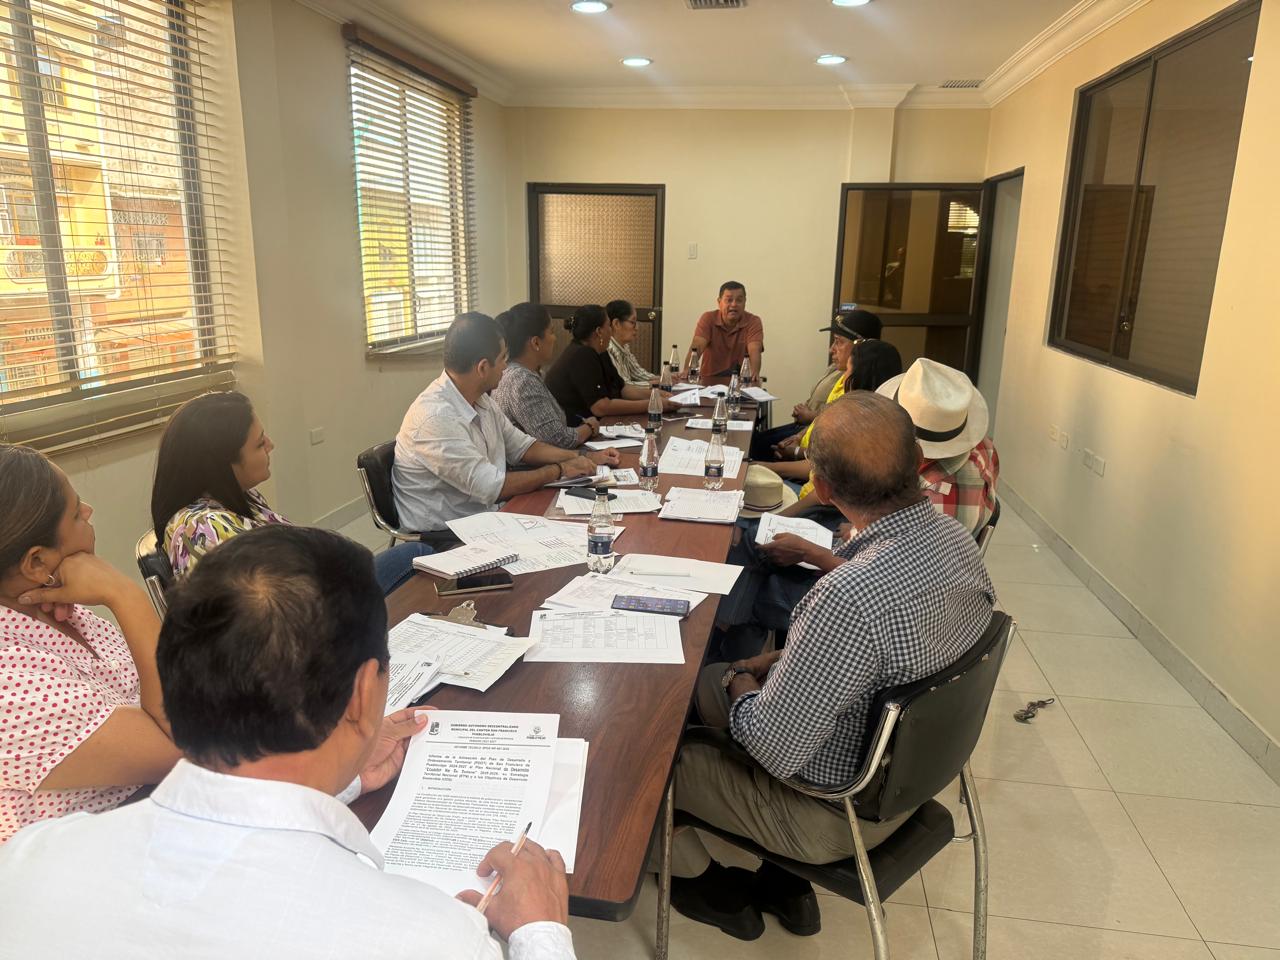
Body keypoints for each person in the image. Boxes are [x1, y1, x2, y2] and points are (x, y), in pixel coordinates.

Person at [0, 525, 576, 959]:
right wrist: (539, 931)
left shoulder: (29, 860)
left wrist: (343, 784)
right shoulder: (435, 939)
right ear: (363, 694)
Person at [664, 393, 995, 940]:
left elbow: (772, 747)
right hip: (909, 781)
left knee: (653, 749)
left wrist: (739, 677)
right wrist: (785, 659)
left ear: (823, 488)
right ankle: (784, 885)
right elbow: (898, 651)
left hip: (834, 815)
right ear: (917, 462)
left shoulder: (848, 596)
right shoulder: (957, 541)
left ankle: (707, 886)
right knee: (722, 688)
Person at [714, 358, 1000, 661]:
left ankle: (729, 661)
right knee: (757, 545)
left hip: (883, 593)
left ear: (913, 451)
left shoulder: (940, 499)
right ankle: (733, 649)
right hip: (879, 560)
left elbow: (892, 588)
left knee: (757, 584)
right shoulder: (983, 449)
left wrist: (815, 553)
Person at [0, 444, 179, 843]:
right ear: (36, 563)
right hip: (92, 851)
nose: (89, 510)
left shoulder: (58, 611)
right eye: (76, 511)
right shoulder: (8, 683)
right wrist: (125, 595)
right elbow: (184, 742)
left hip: (155, 808)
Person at [151, 391, 430, 594]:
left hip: (322, 590)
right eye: (259, 444)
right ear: (223, 464)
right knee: (419, 555)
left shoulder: (235, 498)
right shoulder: (207, 531)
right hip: (317, 618)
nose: (271, 445)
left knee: (418, 554)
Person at [394, 312, 619, 538]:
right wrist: (560, 470)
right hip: (447, 535)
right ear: (483, 367)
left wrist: (583, 457)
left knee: (584, 525)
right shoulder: (436, 418)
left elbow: (524, 447)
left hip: (487, 516)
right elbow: (493, 487)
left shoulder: (479, 399)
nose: (506, 366)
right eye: (503, 358)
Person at [752, 309, 888, 465]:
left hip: (813, 451)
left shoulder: (857, 385)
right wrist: (798, 436)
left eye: (839, 341)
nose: (831, 349)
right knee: (756, 441)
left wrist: (794, 452)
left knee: (757, 448)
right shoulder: (840, 371)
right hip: (807, 433)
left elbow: (829, 458)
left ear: (860, 345)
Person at [545, 304, 679, 423]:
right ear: (599, 331)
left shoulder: (600, 351)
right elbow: (600, 407)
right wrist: (652, 404)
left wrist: (657, 395)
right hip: (578, 429)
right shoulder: (581, 354)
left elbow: (623, 389)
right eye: (609, 326)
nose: (611, 330)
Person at [493, 302, 598, 449]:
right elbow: (557, 440)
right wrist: (590, 427)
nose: (555, 338)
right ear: (536, 342)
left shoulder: (523, 372)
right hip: (533, 462)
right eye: (551, 332)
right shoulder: (522, 380)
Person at [684, 281, 764, 380]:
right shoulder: (708, 318)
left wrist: (754, 374)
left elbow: (754, 349)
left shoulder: (753, 321)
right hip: (709, 381)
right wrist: (687, 370)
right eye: (729, 300)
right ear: (719, 302)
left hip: (740, 381)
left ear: (745, 302)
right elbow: (697, 346)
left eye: (739, 300)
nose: (734, 304)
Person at [605, 299, 657, 387]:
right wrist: (655, 384)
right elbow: (623, 386)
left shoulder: (624, 346)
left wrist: (663, 378)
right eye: (633, 322)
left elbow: (637, 372)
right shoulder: (609, 349)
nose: (636, 328)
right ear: (616, 323)